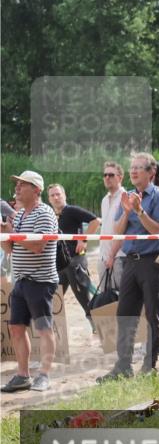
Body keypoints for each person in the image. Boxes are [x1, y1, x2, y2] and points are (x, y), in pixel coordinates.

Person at [98, 153, 159, 381]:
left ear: (151, 173)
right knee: (125, 314)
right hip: (130, 261)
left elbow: (157, 231)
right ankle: (123, 366)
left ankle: (149, 365)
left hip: (152, 263)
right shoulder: (127, 197)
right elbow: (119, 230)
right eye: (132, 167)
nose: (134, 171)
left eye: (139, 168)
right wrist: (128, 211)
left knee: (153, 314)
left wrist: (139, 211)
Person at [0, 171, 59, 392]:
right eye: (17, 184)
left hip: (41, 281)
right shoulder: (22, 214)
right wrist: (4, 233)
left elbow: (37, 246)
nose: (17, 188)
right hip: (22, 280)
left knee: (44, 328)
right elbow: (11, 250)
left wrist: (12, 234)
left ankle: (43, 375)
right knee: (16, 328)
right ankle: (22, 375)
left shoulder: (44, 213)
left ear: (36, 190)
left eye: (22, 184)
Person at [46, 184, 99, 336]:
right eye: (52, 195)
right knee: (53, 297)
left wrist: (83, 240)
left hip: (75, 260)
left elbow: (95, 221)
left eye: (58, 194)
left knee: (83, 297)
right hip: (60, 264)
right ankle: (51, 331)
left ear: (64, 195)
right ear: (49, 199)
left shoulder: (71, 210)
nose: (56, 197)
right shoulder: (52, 215)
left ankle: (99, 325)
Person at [99, 161, 127, 289]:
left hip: (119, 257)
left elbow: (122, 231)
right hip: (103, 257)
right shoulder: (104, 200)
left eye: (111, 175)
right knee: (105, 300)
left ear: (120, 177)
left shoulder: (125, 198)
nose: (107, 178)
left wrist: (112, 256)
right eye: (105, 175)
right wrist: (105, 257)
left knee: (121, 299)